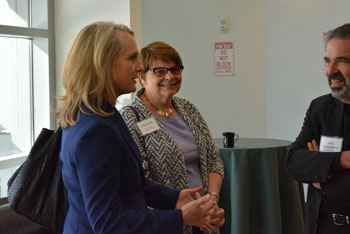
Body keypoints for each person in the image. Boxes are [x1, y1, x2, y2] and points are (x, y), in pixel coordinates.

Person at [58, 22, 222, 234]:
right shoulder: (96, 130)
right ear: (103, 63)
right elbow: (109, 225)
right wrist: (181, 217)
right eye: (132, 58)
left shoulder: (103, 113)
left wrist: (175, 198)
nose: (138, 67)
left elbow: (129, 185)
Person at [121, 41, 225, 234]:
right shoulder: (131, 116)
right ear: (142, 77)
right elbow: (139, 178)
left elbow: (213, 158)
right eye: (159, 71)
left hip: (205, 215)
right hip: (164, 222)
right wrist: (185, 212)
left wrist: (211, 199)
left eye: (175, 69)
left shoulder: (188, 109)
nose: (169, 76)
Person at [287, 23, 350, 234]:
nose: (330, 71)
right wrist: (341, 160)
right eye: (327, 61)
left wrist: (321, 176)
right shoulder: (320, 108)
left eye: (341, 61)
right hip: (320, 227)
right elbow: (292, 161)